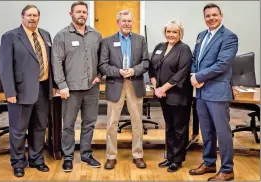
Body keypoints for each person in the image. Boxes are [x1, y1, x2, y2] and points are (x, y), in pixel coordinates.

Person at [0, 4, 55, 177]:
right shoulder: (10, 36)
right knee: (18, 129)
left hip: (43, 88)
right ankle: (18, 162)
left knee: (39, 127)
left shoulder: (45, 34)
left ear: (39, 17)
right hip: (21, 91)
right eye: (29, 15)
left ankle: (36, 159)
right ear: (22, 17)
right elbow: (5, 66)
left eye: (35, 15)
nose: (32, 18)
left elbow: (48, 62)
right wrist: (10, 92)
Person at [189, 3, 238, 181]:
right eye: (208, 15)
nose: (211, 18)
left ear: (221, 15)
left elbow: (222, 64)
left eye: (214, 15)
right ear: (204, 18)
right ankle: (209, 163)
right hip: (201, 92)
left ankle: (227, 169)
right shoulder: (201, 36)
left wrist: (200, 77)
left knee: (222, 131)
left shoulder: (229, 37)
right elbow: (195, 58)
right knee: (206, 130)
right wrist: (194, 74)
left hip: (217, 91)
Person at [52, 1, 102, 172]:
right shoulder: (62, 36)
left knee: (89, 123)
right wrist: (62, 85)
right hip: (71, 89)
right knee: (68, 125)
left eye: (84, 12)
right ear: (71, 14)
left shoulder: (96, 35)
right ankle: (68, 157)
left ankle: (86, 154)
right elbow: (56, 62)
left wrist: (100, 76)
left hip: (92, 89)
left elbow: (103, 60)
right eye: (78, 12)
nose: (82, 14)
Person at [99, 9, 149, 170]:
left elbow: (146, 62)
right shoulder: (107, 41)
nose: (126, 23)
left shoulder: (140, 40)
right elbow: (103, 65)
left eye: (129, 21)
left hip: (135, 84)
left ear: (132, 22)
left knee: (137, 122)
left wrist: (134, 70)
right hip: (116, 84)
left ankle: (138, 155)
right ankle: (111, 156)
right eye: (123, 20)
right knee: (112, 123)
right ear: (118, 22)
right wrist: (118, 71)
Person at [148, 20, 193, 172]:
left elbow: (182, 72)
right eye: (168, 31)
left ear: (180, 33)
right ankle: (169, 157)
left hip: (178, 94)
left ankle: (178, 160)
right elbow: (151, 68)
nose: (171, 35)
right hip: (162, 94)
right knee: (169, 126)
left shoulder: (184, 49)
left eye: (174, 32)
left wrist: (164, 88)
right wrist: (156, 87)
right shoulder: (160, 47)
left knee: (179, 127)